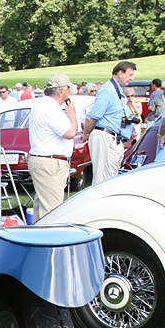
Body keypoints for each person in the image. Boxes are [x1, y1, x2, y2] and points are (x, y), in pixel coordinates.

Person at [27, 74, 78, 219]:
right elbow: (70, 133)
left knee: (43, 206)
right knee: (52, 211)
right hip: (50, 163)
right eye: (68, 89)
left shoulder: (44, 105)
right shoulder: (50, 108)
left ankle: (37, 238)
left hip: (45, 160)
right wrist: (72, 115)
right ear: (61, 91)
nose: (69, 93)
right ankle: (48, 239)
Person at [81, 60, 136, 184]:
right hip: (104, 137)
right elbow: (91, 117)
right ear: (120, 73)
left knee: (110, 178)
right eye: (130, 75)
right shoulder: (108, 91)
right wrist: (86, 134)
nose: (131, 78)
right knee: (102, 181)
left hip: (112, 138)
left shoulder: (116, 91)